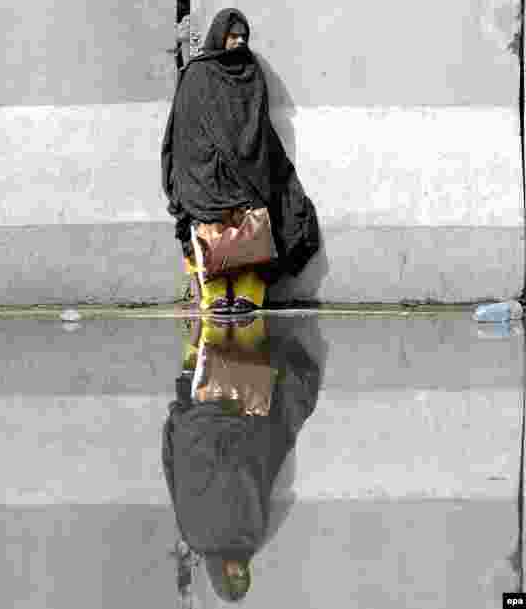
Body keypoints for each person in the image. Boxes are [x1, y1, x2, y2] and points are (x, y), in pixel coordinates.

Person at [162, 8, 321, 315]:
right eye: (232, 35)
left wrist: (245, 158)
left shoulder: (251, 71)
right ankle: (216, 296)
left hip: (248, 167)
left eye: (243, 37)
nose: (238, 42)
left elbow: (256, 124)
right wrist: (205, 165)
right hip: (207, 172)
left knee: (252, 233)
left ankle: (249, 295)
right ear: (220, 36)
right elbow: (185, 129)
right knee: (212, 232)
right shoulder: (197, 73)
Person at [163, 315, 324, 603]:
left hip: (222, 410)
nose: (239, 571)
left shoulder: (235, 534)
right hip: (203, 410)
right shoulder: (214, 535)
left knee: (276, 402)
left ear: (221, 575)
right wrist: (177, 420)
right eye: (243, 577)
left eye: (233, 577)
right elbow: (174, 469)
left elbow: (249, 468)